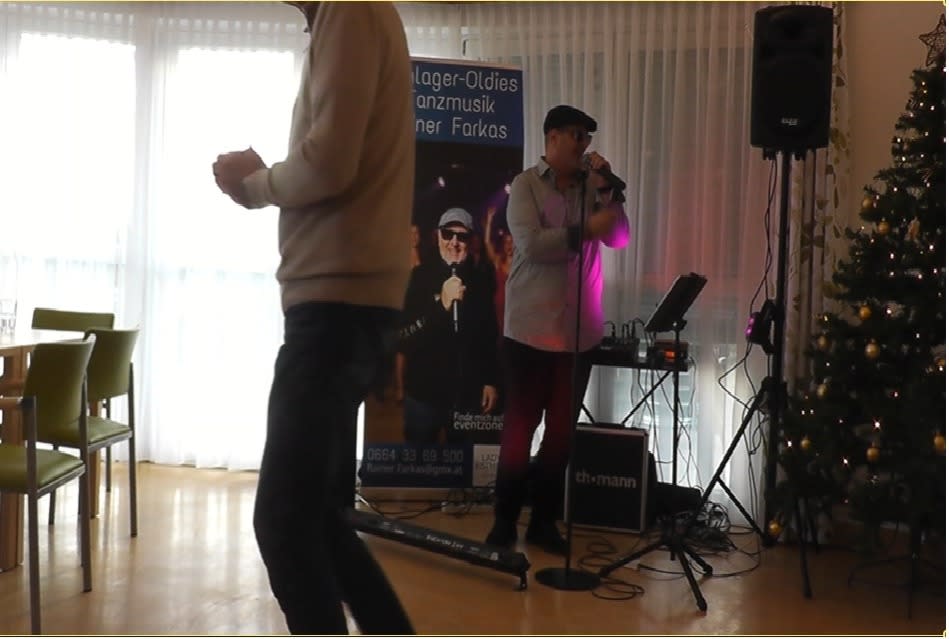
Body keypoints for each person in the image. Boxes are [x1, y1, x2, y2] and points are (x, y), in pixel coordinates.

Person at [211, 2, 415, 634]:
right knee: (319, 520)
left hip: (335, 311)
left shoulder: (349, 9)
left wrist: (255, 184)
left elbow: (329, 162)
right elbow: (335, 158)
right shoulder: (350, 14)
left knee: (283, 520)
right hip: (347, 307)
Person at [485, 105, 630, 555]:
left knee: (561, 435)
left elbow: (620, 237)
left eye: (587, 137)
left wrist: (608, 191)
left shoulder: (592, 187)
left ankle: (543, 522)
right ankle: (504, 521)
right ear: (551, 138)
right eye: (575, 135)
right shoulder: (526, 185)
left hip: (578, 336)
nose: (583, 145)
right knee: (519, 430)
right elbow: (532, 244)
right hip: (530, 332)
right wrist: (586, 229)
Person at [398, 207, 500, 445]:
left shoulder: (480, 280)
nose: (454, 242)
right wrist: (441, 305)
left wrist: (491, 380)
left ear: (470, 241)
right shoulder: (418, 278)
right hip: (424, 392)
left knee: (462, 462)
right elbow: (405, 337)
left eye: (462, 236)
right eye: (448, 234)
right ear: (438, 237)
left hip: (466, 395)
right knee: (419, 461)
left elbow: (489, 335)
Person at [483, 206, 514, 333]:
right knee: (503, 333)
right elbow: (487, 243)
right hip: (501, 303)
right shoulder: (498, 261)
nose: (509, 245)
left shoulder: (521, 265)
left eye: (512, 242)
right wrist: (489, 221)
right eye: (506, 242)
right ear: (503, 245)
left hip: (516, 304)